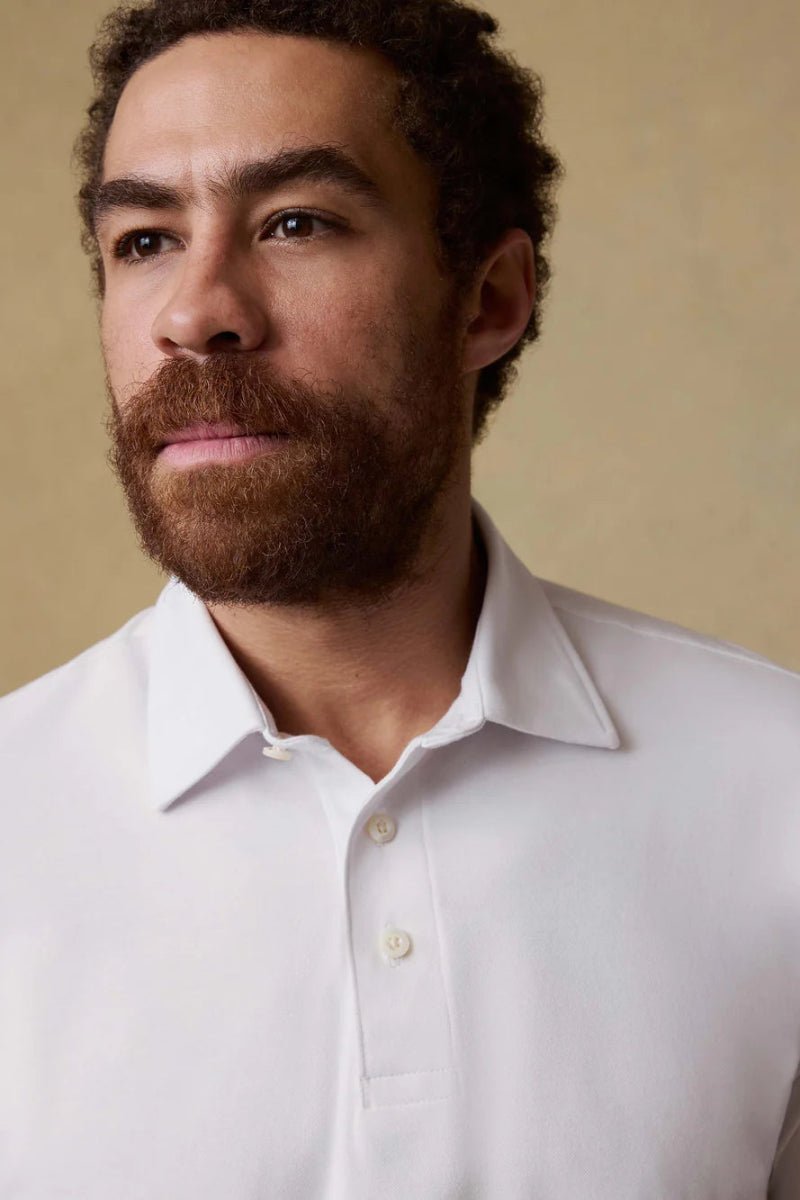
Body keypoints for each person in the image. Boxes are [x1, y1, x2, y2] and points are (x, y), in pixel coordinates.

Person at [1, 0, 799, 1195]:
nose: (196, 312)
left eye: (294, 222)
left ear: (487, 300)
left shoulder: (776, 792)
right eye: (146, 240)